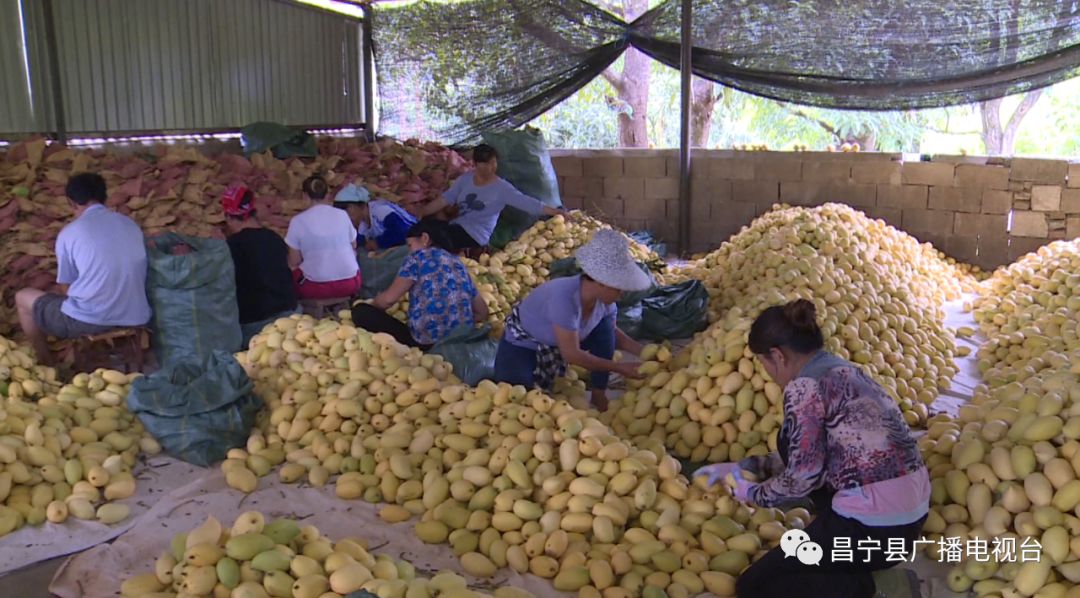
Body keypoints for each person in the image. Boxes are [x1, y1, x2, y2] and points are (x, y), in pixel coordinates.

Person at [695, 299, 930, 598]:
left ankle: (880, 587)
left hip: (874, 531)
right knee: (788, 437)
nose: (766, 372)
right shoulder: (843, 370)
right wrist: (743, 468)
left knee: (755, 585)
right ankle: (837, 543)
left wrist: (752, 494)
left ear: (777, 356)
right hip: (909, 520)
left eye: (763, 363)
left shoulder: (803, 388)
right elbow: (805, 453)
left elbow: (803, 475)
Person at [492, 229, 648, 411]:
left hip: (564, 340)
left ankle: (598, 393)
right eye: (619, 288)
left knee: (605, 330)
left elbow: (614, 337)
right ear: (602, 282)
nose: (621, 294)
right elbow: (571, 354)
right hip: (524, 344)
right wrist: (621, 368)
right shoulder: (564, 298)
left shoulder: (605, 302)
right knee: (517, 399)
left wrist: (645, 352)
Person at [14, 172, 151, 365]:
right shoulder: (130, 224)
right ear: (105, 197)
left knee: (23, 297)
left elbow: (66, 288)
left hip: (90, 320)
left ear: (71, 202)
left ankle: (46, 365)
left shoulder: (69, 233)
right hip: (136, 314)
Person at [351, 219, 488, 348]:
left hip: (426, 343)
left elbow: (388, 300)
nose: (409, 250)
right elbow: (483, 312)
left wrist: (372, 307)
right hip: (462, 340)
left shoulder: (416, 259)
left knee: (361, 312)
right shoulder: (458, 262)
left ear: (425, 239)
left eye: (410, 245)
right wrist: (455, 323)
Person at [415, 144, 565, 251]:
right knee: (422, 228)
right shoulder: (465, 180)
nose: (491, 167)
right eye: (485, 163)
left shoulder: (502, 188)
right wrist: (422, 212)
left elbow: (527, 202)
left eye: (493, 162)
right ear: (475, 164)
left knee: (435, 237)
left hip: (475, 235)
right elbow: (444, 200)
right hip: (457, 226)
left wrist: (556, 212)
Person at [221, 185, 299, 346]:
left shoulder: (231, 246)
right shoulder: (274, 237)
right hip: (291, 315)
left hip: (256, 323)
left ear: (229, 218)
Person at [285, 174, 362, 300]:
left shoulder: (297, 221)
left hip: (316, 287)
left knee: (292, 268)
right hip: (351, 282)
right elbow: (354, 245)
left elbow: (294, 261)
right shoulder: (342, 214)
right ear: (328, 195)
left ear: (304, 196)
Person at [334, 183, 418, 251]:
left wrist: (377, 243)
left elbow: (402, 230)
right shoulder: (363, 225)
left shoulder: (380, 210)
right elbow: (360, 241)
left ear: (361, 205)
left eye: (346, 208)